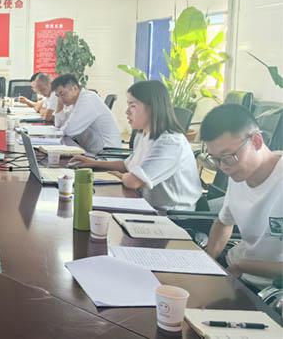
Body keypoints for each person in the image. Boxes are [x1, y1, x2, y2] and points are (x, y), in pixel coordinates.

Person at [69, 80, 201, 211]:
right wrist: (93, 163)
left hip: (173, 216)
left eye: (132, 106)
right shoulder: (143, 134)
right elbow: (127, 165)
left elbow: (133, 181)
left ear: (152, 107)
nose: (127, 112)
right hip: (145, 203)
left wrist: (122, 176)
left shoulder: (170, 143)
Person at [201, 104, 282, 289]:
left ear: (256, 141)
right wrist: (207, 262)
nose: (223, 167)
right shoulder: (238, 174)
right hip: (235, 270)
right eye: (216, 159)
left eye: (228, 157)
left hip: (271, 288)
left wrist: (243, 266)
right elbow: (224, 222)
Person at [51, 74, 121, 154]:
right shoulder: (76, 102)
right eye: (58, 96)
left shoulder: (88, 100)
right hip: (92, 151)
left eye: (62, 94)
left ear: (74, 88)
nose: (60, 99)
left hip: (106, 154)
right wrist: (59, 106)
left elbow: (68, 131)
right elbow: (59, 125)